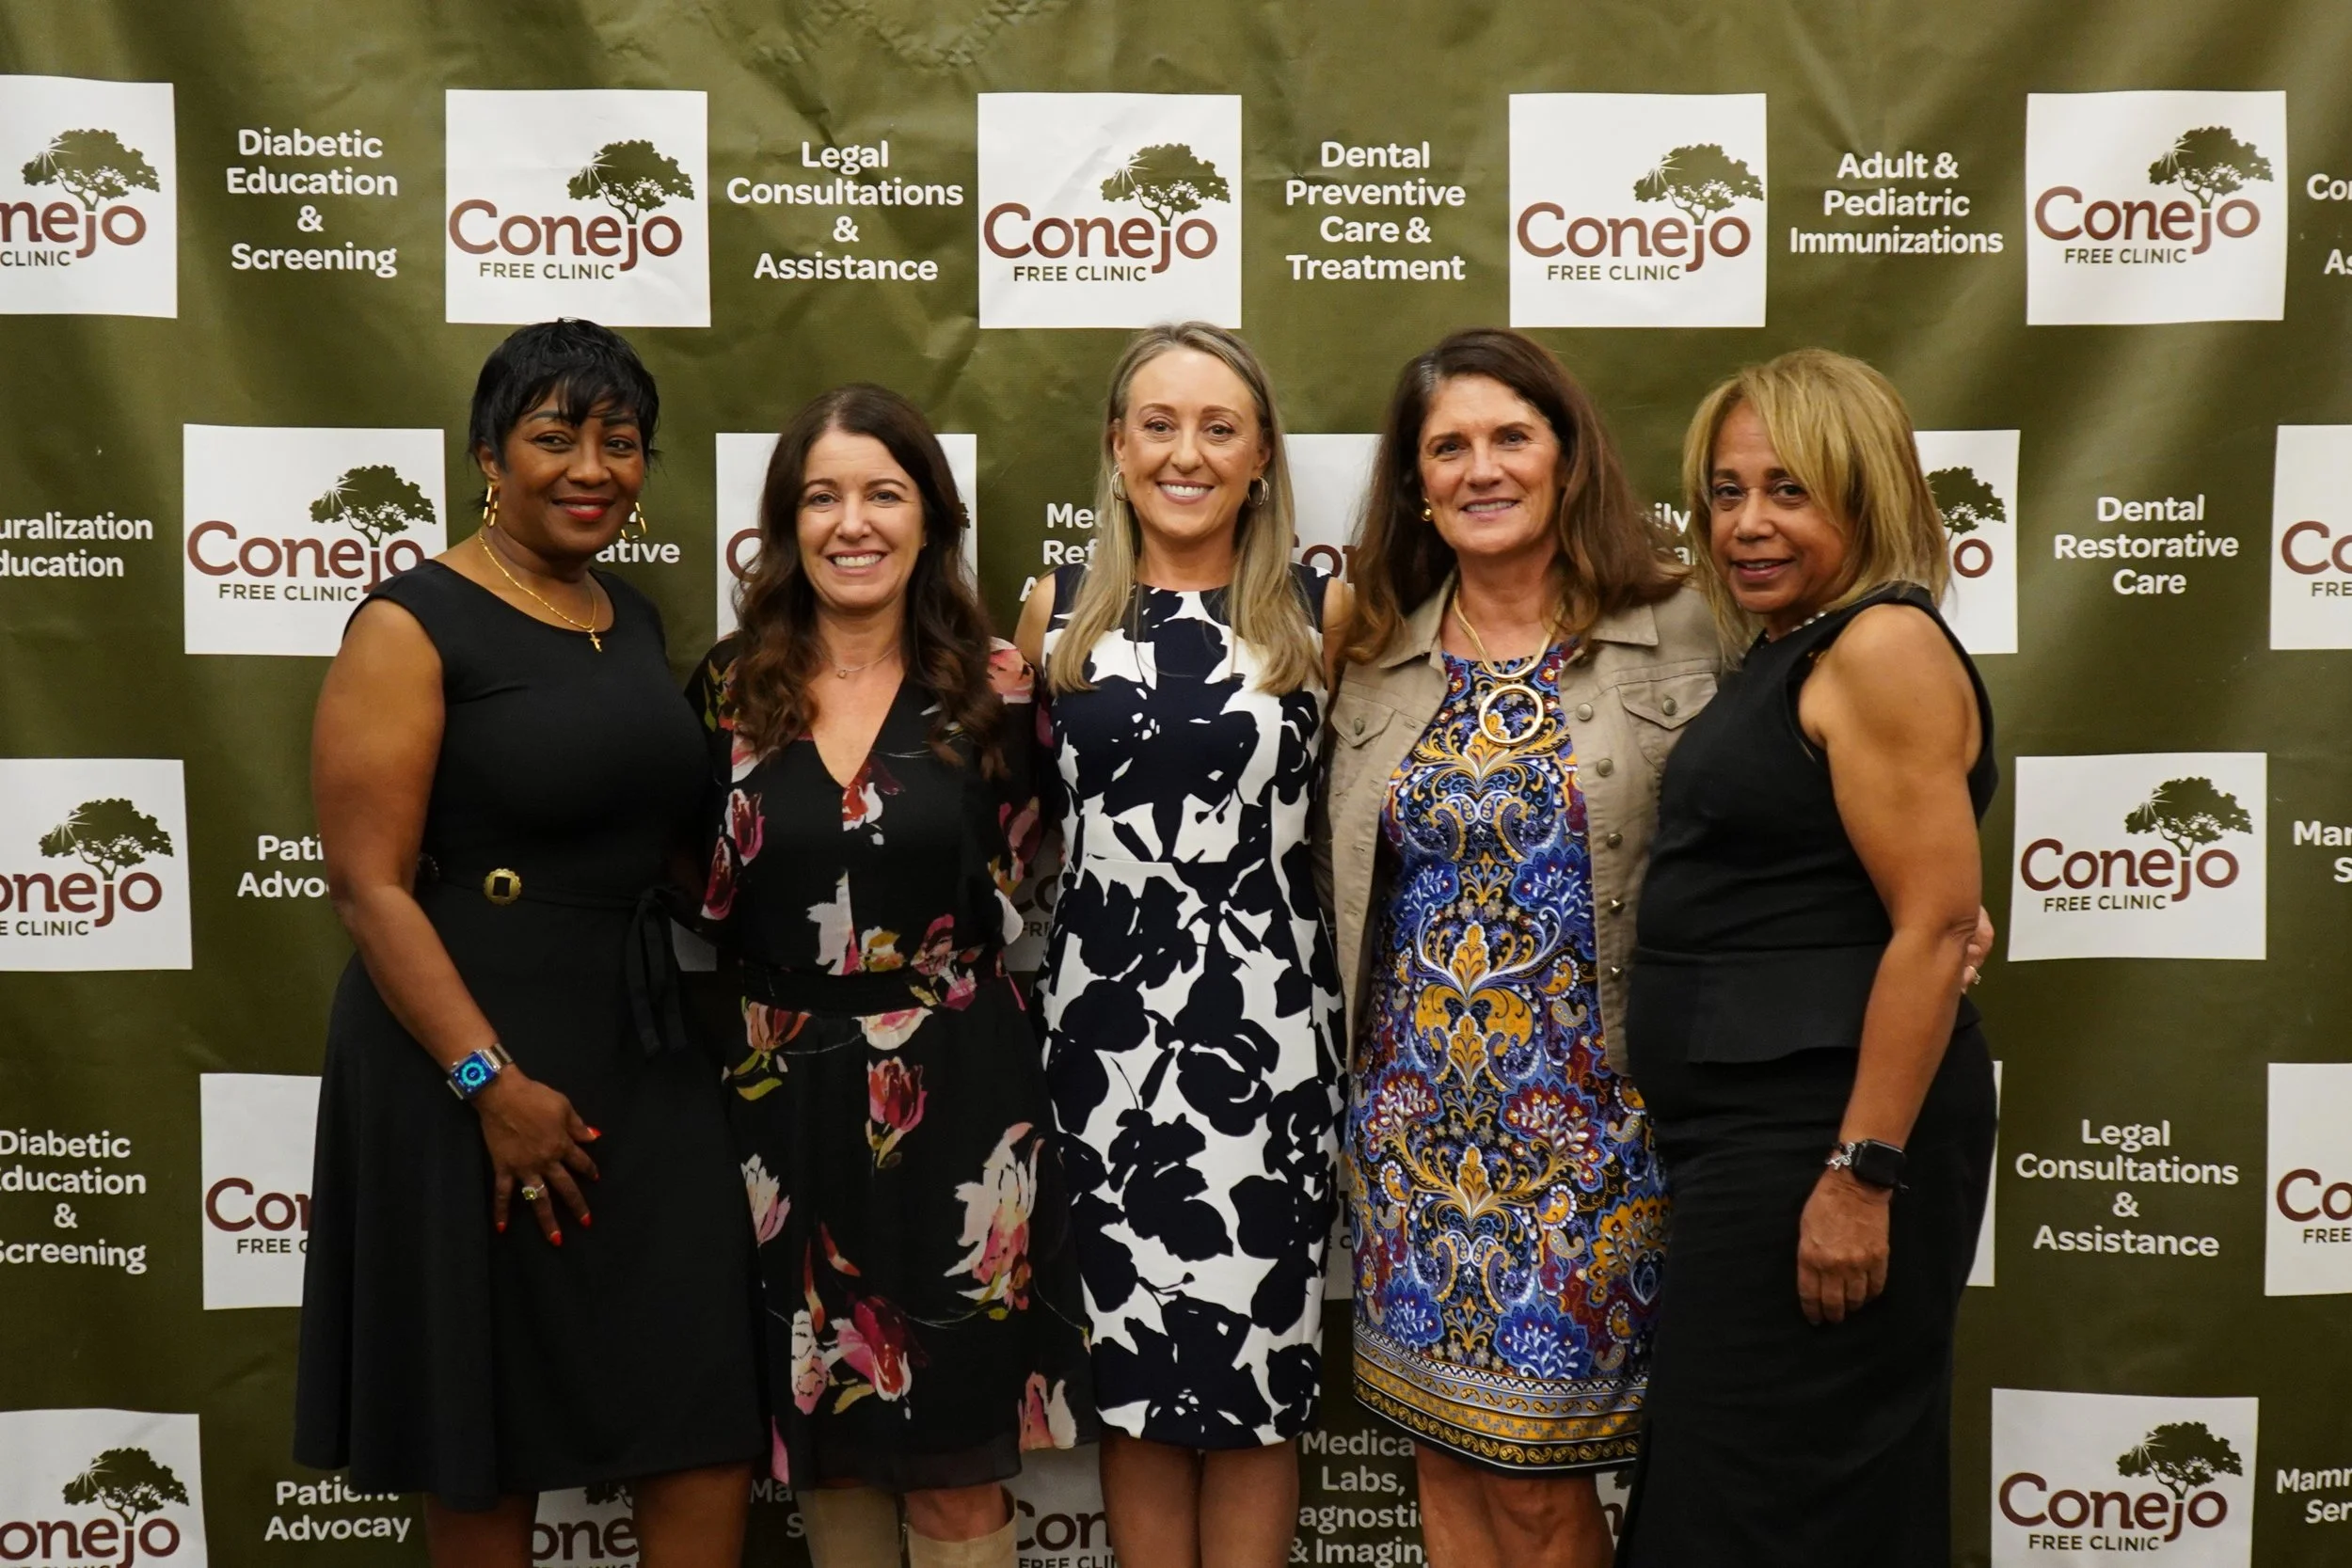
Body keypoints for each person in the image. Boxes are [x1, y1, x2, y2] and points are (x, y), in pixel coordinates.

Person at [295, 319, 762, 1566]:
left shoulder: (632, 616)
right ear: (488, 458)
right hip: (463, 1063)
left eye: (622, 441)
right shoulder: (412, 621)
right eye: (556, 437)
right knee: (483, 1433)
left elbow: (673, 845)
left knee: (701, 1408)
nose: (592, 468)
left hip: (640, 1050)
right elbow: (369, 886)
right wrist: (487, 1081)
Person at [1321, 328, 1714, 1568]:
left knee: (1540, 1483)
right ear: (1416, 484)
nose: (1480, 468)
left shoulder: (1684, 627)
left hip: (1591, 1130)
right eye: (1449, 447)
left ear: (1567, 455)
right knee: (1443, 1452)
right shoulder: (1371, 653)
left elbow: (1799, 794)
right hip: (1410, 1128)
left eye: (1510, 437)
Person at [690, 383, 1097, 1568]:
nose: (853, 522)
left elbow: (1049, 851)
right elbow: (689, 885)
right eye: (822, 496)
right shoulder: (727, 688)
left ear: (931, 519)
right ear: (786, 522)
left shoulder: (1001, 685)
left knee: (957, 1468)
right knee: (831, 1453)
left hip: (960, 1098)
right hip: (779, 1105)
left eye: (883, 493)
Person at [1613, 348, 1998, 1566]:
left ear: (1866, 492)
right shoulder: (1800, 645)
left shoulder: (1881, 645)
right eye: (1726, 492)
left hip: (1822, 1140)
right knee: (1759, 1503)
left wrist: (1860, 1171)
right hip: (1757, 1137)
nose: (1747, 524)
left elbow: (1934, 927)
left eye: (1789, 489)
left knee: (1762, 1512)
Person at [1014, 322, 1350, 1568]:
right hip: (1100, 1045)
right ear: (1116, 446)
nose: (1186, 453)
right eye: (1158, 424)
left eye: (1219, 427)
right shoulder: (1057, 612)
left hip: (1268, 1044)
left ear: (1261, 456)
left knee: (1258, 1384)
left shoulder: (1321, 613)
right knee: (1133, 1378)